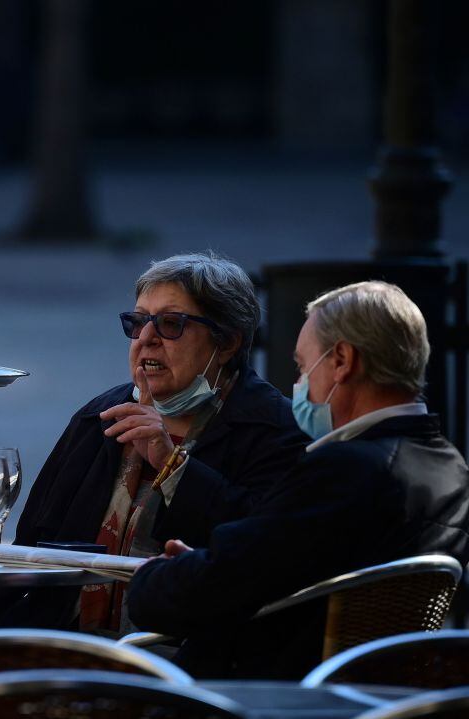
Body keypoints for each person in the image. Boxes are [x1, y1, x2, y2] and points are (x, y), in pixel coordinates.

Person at [127, 280, 469, 680]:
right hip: (373, 689)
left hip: (263, 692)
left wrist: (156, 576)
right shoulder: (450, 469)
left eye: (304, 366)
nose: (300, 383)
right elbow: (268, 562)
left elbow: (217, 588)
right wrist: (214, 566)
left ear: (341, 360)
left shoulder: (347, 470)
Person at [0, 253, 308, 633]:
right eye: (138, 323)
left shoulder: (275, 428)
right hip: (68, 645)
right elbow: (30, 549)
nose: (147, 339)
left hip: (188, 656)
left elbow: (266, 551)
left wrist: (175, 467)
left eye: (171, 324)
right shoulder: (99, 416)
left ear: (227, 343)